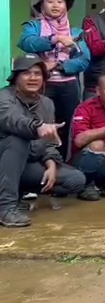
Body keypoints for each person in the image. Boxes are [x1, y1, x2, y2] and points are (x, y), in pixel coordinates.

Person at [0, 55, 86, 228]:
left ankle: (18, 192)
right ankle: (6, 208)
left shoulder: (46, 103)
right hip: (5, 160)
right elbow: (12, 119)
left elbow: (50, 142)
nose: (33, 78)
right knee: (18, 139)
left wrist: (51, 164)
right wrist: (37, 127)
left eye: (38, 73)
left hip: (26, 166)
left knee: (76, 179)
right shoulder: (4, 96)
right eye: (26, 73)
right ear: (16, 77)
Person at [18, 0, 90, 159]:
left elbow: (84, 59)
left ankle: (62, 162)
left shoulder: (76, 33)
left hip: (69, 85)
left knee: (66, 125)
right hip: (43, 84)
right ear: (42, 6)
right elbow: (27, 43)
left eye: (60, 2)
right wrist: (54, 39)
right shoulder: (33, 26)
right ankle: (38, 162)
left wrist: (58, 65)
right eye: (50, 1)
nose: (55, 5)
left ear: (66, 7)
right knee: (40, 122)